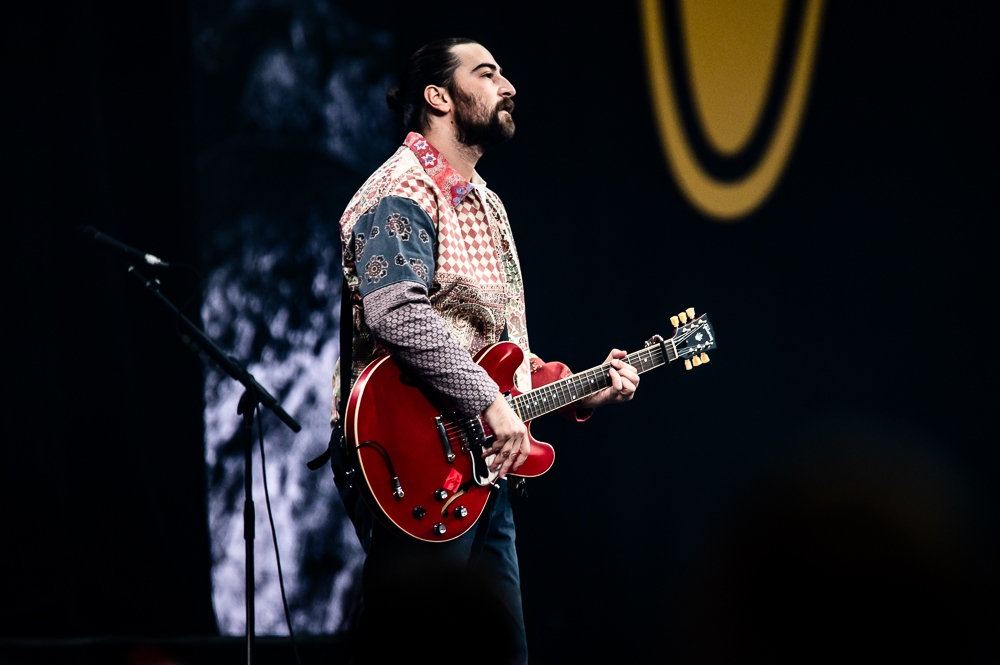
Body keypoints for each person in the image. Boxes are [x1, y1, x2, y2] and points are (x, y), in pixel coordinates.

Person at [330, 38, 641, 662]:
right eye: (488, 73)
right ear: (438, 97)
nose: (509, 87)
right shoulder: (399, 192)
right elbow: (397, 313)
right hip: (410, 461)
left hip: (480, 468)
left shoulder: (488, 204)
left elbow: (502, 351)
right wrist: (489, 400)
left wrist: (582, 387)